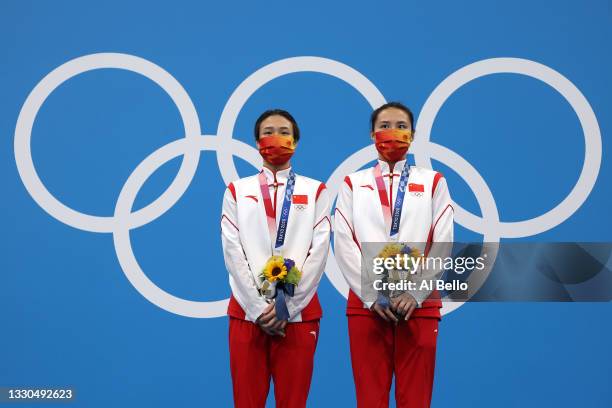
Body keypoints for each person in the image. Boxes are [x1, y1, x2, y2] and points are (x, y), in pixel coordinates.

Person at [334, 102, 454, 408]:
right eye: (385, 126)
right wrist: (371, 294)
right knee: (369, 399)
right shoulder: (353, 184)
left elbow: (443, 241)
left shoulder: (433, 182)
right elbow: (344, 242)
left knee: (416, 399)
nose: (393, 132)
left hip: (420, 304)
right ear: (372, 134)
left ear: (413, 134)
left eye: (401, 126)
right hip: (367, 305)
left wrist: (415, 292)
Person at [220, 109, 331, 408]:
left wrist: (287, 307)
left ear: (296, 140)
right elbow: (233, 251)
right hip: (247, 315)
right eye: (268, 131)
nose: (276, 138)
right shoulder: (237, 191)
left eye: (284, 131)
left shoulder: (315, 190)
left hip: (297, 315)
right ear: (257, 141)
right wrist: (258, 309)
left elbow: (318, 253)